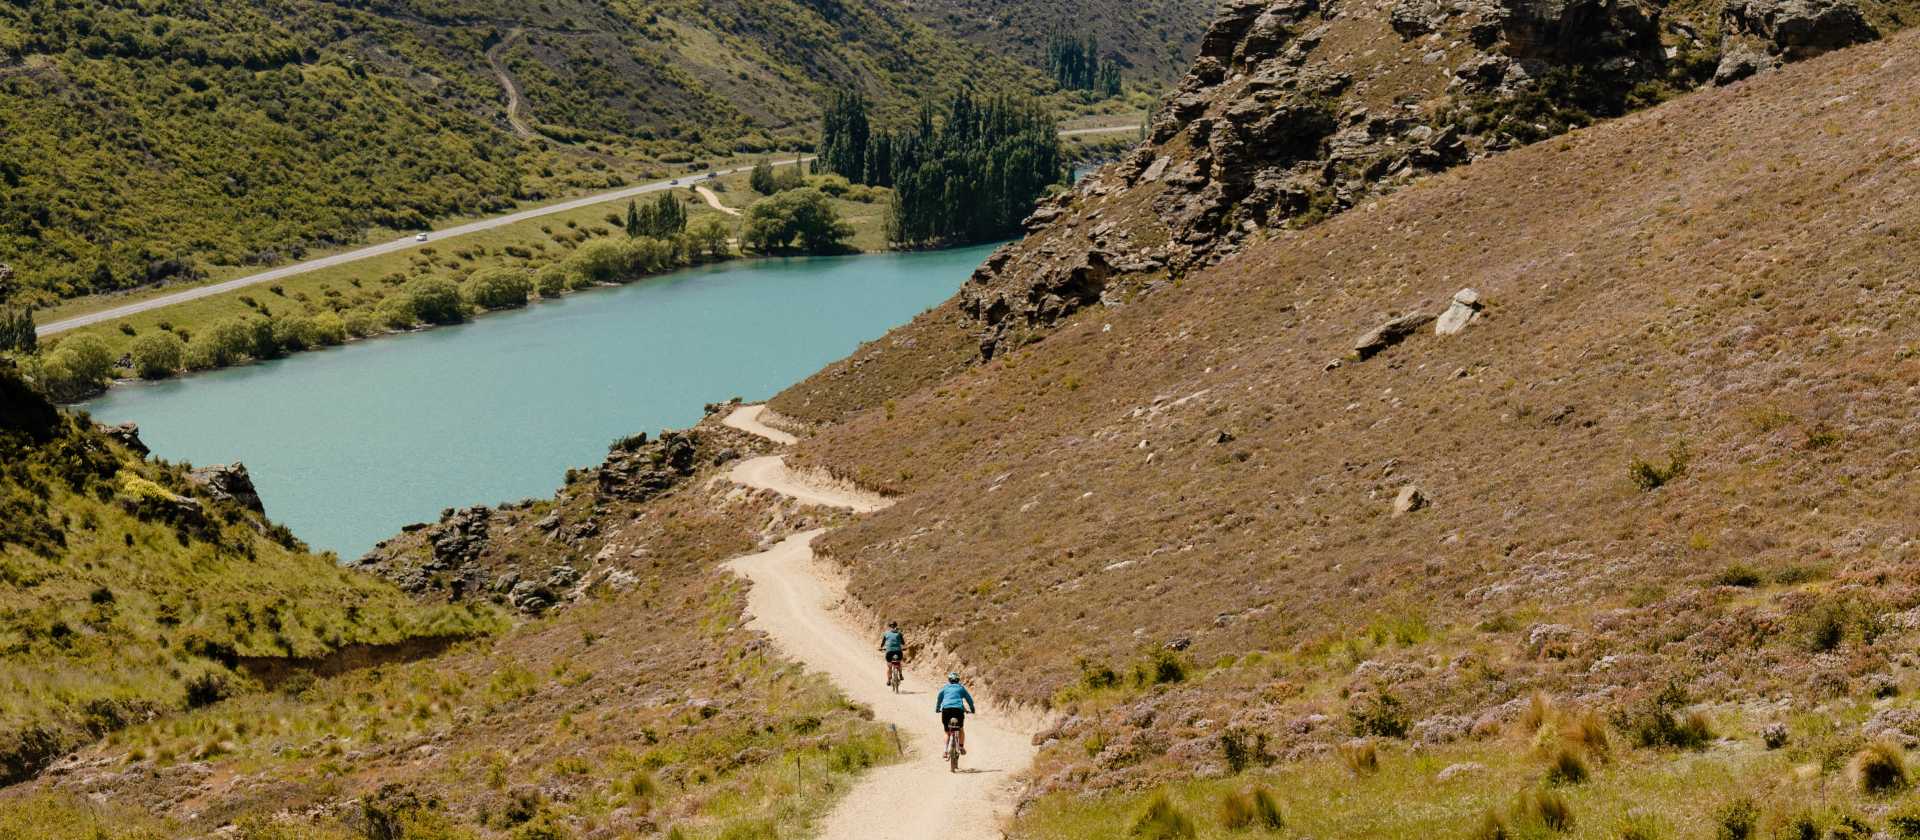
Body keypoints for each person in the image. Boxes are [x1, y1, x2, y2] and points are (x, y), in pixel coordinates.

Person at [935, 672, 976, 755]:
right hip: (958, 710)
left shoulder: (945, 688)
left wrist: (937, 708)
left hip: (946, 710)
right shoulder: (961, 688)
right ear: (958, 680)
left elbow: (939, 697)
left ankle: (945, 751)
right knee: (960, 729)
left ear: (949, 680)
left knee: (947, 732)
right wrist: (972, 709)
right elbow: (969, 699)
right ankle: (961, 747)